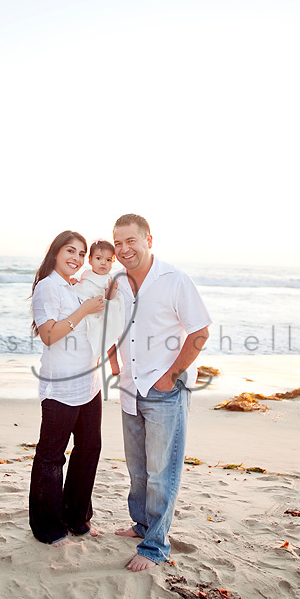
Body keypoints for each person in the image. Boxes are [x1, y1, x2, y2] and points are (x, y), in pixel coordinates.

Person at [112, 214, 211, 571]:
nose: (124, 249)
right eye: (118, 243)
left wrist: (171, 376)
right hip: (129, 389)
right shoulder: (117, 283)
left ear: (148, 240)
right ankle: (141, 526)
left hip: (164, 391)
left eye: (131, 241)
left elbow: (200, 330)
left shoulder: (174, 280)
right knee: (138, 471)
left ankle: (155, 547)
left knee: (161, 473)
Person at [29, 231, 105, 545]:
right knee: (51, 456)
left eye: (80, 253)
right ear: (56, 252)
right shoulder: (48, 286)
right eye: (69, 251)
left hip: (89, 382)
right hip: (61, 385)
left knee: (89, 450)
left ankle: (77, 517)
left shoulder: (74, 286)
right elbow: (48, 334)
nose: (75, 258)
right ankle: (48, 527)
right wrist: (84, 309)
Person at [73, 239, 125, 376]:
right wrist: (75, 283)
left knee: (107, 339)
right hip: (86, 312)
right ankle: (93, 366)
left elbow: (108, 298)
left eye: (108, 260)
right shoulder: (86, 274)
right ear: (90, 260)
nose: (103, 263)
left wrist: (112, 289)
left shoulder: (109, 279)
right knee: (92, 342)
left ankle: (114, 364)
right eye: (98, 258)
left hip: (100, 313)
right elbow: (83, 288)